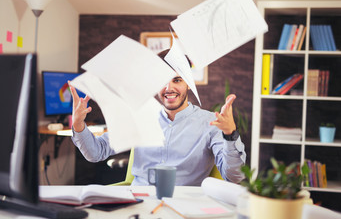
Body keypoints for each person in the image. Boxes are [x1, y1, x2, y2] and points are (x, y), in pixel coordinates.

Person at [70, 49, 246, 186]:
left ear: (189, 84)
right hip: (139, 201)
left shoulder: (211, 124)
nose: (169, 88)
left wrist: (230, 134)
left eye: (177, 80)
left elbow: (234, 177)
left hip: (183, 206)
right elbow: (96, 152)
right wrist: (78, 125)